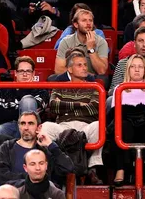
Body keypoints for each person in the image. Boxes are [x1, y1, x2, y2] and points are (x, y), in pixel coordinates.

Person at [38, 53, 104, 184]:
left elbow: (95, 108)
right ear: (70, 69)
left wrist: (66, 106)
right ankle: (49, 168)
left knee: (99, 125)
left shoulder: (94, 87)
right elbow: (54, 107)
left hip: (86, 126)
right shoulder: (60, 86)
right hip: (63, 126)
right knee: (45, 127)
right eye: (79, 65)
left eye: (85, 65)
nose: (84, 68)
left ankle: (92, 168)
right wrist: (80, 104)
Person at [109, 54, 145, 186]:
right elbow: (115, 109)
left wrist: (133, 109)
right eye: (133, 66)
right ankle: (121, 169)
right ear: (128, 70)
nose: (137, 69)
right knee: (122, 124)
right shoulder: (119, 88)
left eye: (140, 67)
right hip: (127, 124)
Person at [0, 57, 49, 140]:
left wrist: (9, 112)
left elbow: (35, 114)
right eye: (21, 71)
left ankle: (27, 143)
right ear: (15, 73)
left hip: (33, 130)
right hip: (8, 126)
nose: (25, 74)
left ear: (33, 74)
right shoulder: (2, 90)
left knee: (28, 101)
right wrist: (20, 112)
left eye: (28, 71)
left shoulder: (41, 91)